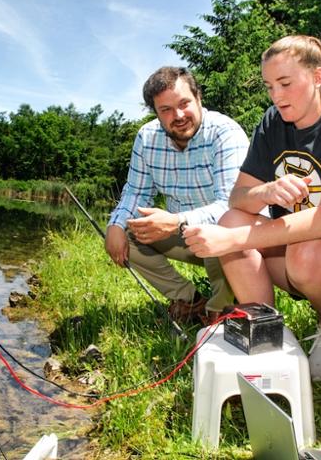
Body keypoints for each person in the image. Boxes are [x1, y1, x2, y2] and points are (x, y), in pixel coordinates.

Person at [184, 35, 321, 381]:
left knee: (301, 251)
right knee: (232, 220)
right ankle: (265, 335)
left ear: (318, 77)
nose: (276, 96)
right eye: (269, 86)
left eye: (286, 83)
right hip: (294, 260)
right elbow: (238, 198)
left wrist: (235, 241)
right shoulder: (272, 122)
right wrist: (267, 190)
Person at [106, 66, 249, 324]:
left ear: (198, 98)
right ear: (157, 113)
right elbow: (136, 193)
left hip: (227, 235)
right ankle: (190, 300)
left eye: (184, 103)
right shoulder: (147, 138)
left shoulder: (225, 133)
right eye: (166, 110)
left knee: (223, 229)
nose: (179, 115)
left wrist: (176, 220)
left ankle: (219, 309)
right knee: (127, 233)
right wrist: (115, 224)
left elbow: (230, 207)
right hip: (182, 235)